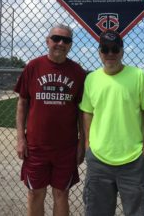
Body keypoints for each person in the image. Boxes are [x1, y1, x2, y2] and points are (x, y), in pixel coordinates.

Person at [79, 29, 144, 216]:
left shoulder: (138, 76)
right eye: (105, 49)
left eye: (115, 49)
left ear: (122, 51)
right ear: (99, 52)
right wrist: (89, 146)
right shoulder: (91, 79)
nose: (110, 54)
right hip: (98, 160)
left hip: (132, 160)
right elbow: (87, 114)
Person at [14, 24, 86, 216]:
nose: (61, 43)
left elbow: (82, 110)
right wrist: (21, 138)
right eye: (56, 38)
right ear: (48, 41)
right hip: (36, 145)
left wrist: (82, 143)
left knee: (61, 193)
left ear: (70, 45)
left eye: (66, 40)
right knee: (35, 193)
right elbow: (22, 103)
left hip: (66, 147)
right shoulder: (33, 66)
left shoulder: (77, 72)